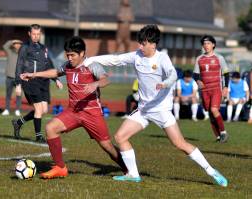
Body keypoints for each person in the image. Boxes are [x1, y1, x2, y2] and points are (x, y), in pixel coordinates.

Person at [84, 25, 228, 187]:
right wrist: (91, 60)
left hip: (161, 111)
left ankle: (211, 170)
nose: (140, 47)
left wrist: (165, 83)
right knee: (120, 137)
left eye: (143, 43)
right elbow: (115, 59)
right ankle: (133, 174)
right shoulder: (137, 56)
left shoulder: (162, 58)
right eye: (139, 43)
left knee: (180, 144)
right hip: (144, 110)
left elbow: (173, 74)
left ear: (153, 44)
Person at [20, 36, 127, 179]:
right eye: (68, 55)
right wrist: (34, 75)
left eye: (73, 55)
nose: (70, 58)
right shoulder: (68, 66)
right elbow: (55, 72)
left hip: (92, 113)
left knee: (107, 146)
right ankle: (60, 168)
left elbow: (105, 79)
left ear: (82, 53)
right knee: (50, 128)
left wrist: (95, 84)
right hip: (74, 111)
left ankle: (128, 169)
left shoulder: (92, 65)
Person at [12, 24, 63, 142]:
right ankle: (39, 137)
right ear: (29, 34)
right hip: (29, 81)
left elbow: (49, 65)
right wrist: (18, 84)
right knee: (39, 109)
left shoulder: (43, 48)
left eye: (38, 34)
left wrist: (56, 79)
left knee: (44, 110)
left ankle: (18, 122)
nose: (36, 36)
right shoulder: (25, 47)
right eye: (34, 34)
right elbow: (19, 64)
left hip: (43, 82)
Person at [193, 35, 229, 143]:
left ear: (213, 45)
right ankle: (218, 136)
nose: (206, 45)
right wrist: (198, 81)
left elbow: (226, 74)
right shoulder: (199, 58)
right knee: (210, 112)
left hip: (216, 88)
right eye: (204, 43)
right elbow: (195, 74)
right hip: (204, 90)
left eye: (208, 43)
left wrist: (225, 87)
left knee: (214, 110)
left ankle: (223, 132)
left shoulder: (219, 58)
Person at [1, 40, 23, 116]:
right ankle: (7, 109)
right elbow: (5, 46)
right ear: (13, 45)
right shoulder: (10, 52)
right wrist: (12, 41)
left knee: (19, 95)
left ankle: (17, 110)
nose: (17, 45)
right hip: (9, 77)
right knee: (8, 95)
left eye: (19, 44)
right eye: (15, 44)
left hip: (18, 78)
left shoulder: (23, 54)